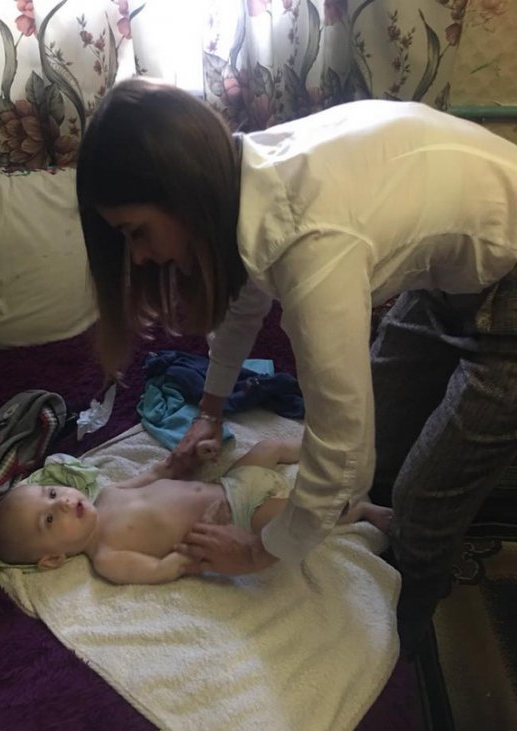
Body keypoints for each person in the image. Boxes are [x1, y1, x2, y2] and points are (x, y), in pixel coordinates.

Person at [76, 77, 517, 649]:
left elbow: (342, 447)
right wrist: (209, 411)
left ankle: (403, 645)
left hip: (510, 280)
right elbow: (243, 305)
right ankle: (379, 554)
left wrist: (259, 552)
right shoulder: (246, 184)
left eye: (137, 233)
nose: (138, 257)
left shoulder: (309, 242)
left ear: (184, 194)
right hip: (446, 278)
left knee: (422, 506)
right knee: (381, 449)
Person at [0, 436, 392, 585]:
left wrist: (184, 460)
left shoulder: (107, 492)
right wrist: (193, 549)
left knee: (269, 447)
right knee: (297, 514)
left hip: (229, 484)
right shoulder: (108, 558)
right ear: (53, 558)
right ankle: (358, 511)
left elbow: (156, 474)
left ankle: (328, 445)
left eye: (52, 493)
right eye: (50, 519)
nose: (63, 502)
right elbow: (163, 569)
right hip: (240, 519)